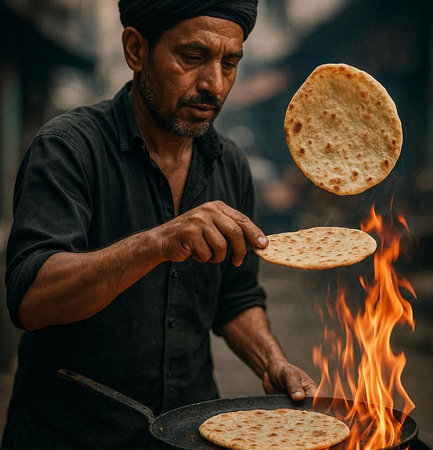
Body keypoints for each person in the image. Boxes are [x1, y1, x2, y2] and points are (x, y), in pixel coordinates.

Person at [2, 1, 316, 448]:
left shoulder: (230, 165)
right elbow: (32, 301)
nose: (213, 84)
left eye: (230, 63)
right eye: (192, 58)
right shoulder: (68, 149)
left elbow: (237, 297)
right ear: (136, 49)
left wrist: (272, 361)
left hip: (188, 431)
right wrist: (160, 241)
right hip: (73, 435)